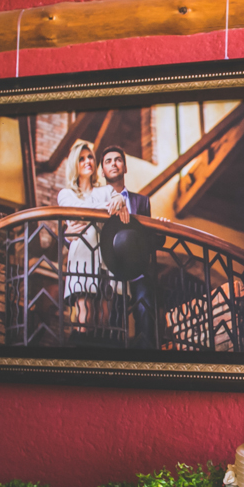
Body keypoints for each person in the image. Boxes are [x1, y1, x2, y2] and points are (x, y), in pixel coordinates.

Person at [56, 141, 128, 332]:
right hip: (82, 257)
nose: (87, 161)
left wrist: (120, 199)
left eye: (89, 157)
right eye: (81, 159)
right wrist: (108, 207)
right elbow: (77, 211)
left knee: (104, 314)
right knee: (85, 313)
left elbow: (119, 201)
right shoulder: (66, 194)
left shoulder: (104, 190)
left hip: (104, 256)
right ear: (74, 164)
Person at [99, 146, 155, 348]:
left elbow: (152, 240)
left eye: (118, 160)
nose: (113, 163)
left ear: (125, 166)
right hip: (110, 270)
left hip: (138, 272)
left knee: (145, 311)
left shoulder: (142, 201)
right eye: (108, 161)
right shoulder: (99, 199)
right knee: (112, 323)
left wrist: (162, 228)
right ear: (102, 171)